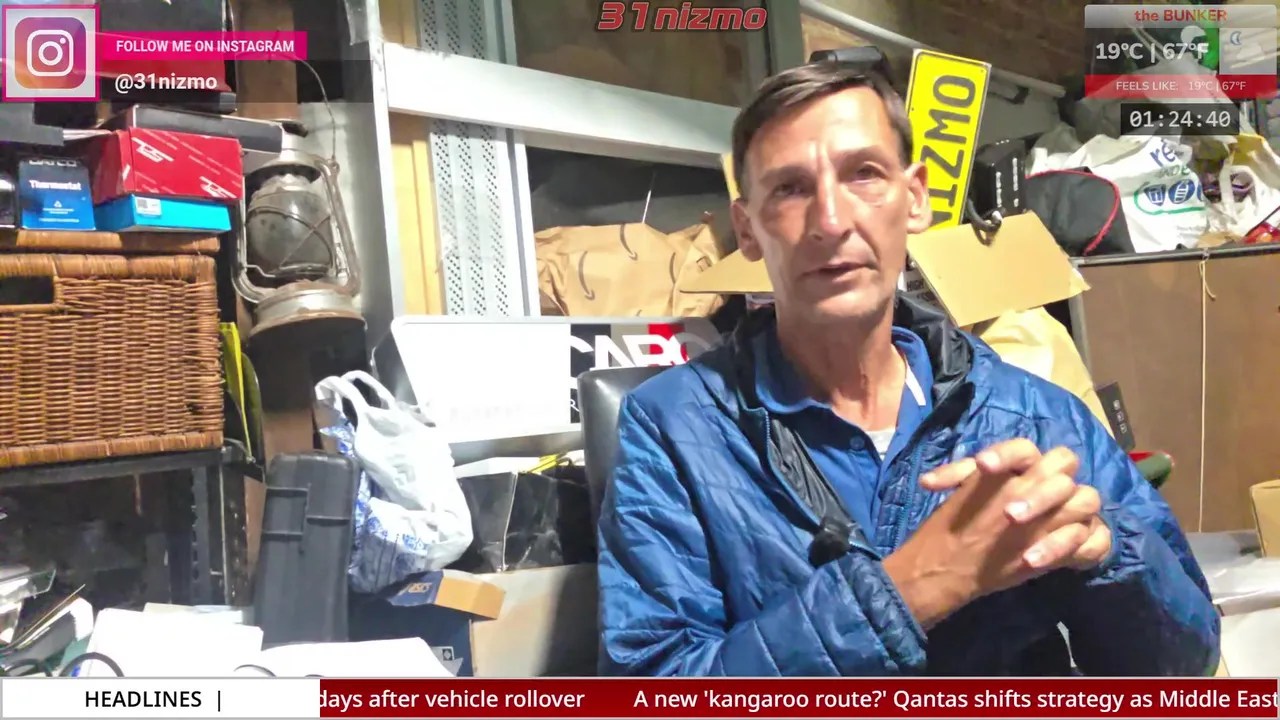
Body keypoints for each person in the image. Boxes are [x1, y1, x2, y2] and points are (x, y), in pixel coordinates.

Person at [595, 61, 1219, 676]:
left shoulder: (1030, 415)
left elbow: (1184, 665)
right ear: (748, 229)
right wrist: (913, 589)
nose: (831, 221)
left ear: (915, 199)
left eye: (863, 174)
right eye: (790, 188)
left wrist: (1106, 555)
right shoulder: (674, 427)